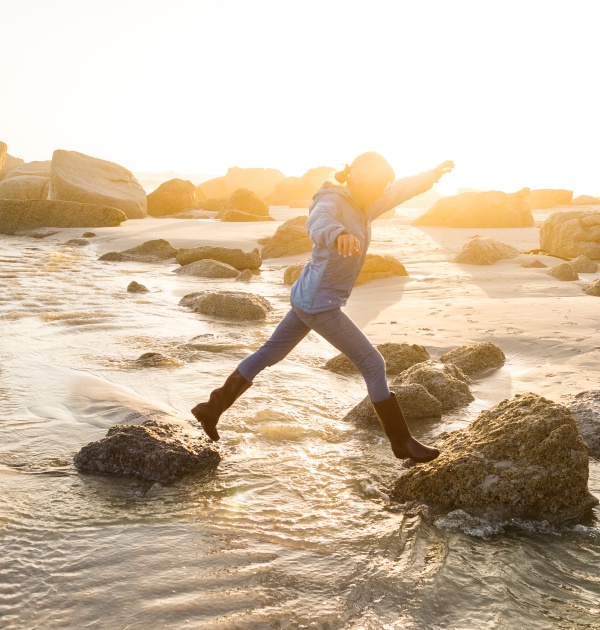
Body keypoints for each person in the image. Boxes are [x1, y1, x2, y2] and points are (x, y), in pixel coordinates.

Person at [191, 152, 455, 463]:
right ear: (358, 179)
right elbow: (317, 222)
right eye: (377, 184)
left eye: (384, 184)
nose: (382, 190)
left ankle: (210, 409)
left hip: (308, 297)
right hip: (320, 304)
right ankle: (401, 442)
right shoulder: (331, 200)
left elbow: (399, 190)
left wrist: (431, 176)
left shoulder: (367, 202)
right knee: (373, 364)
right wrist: (338, 234)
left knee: (268, 353)